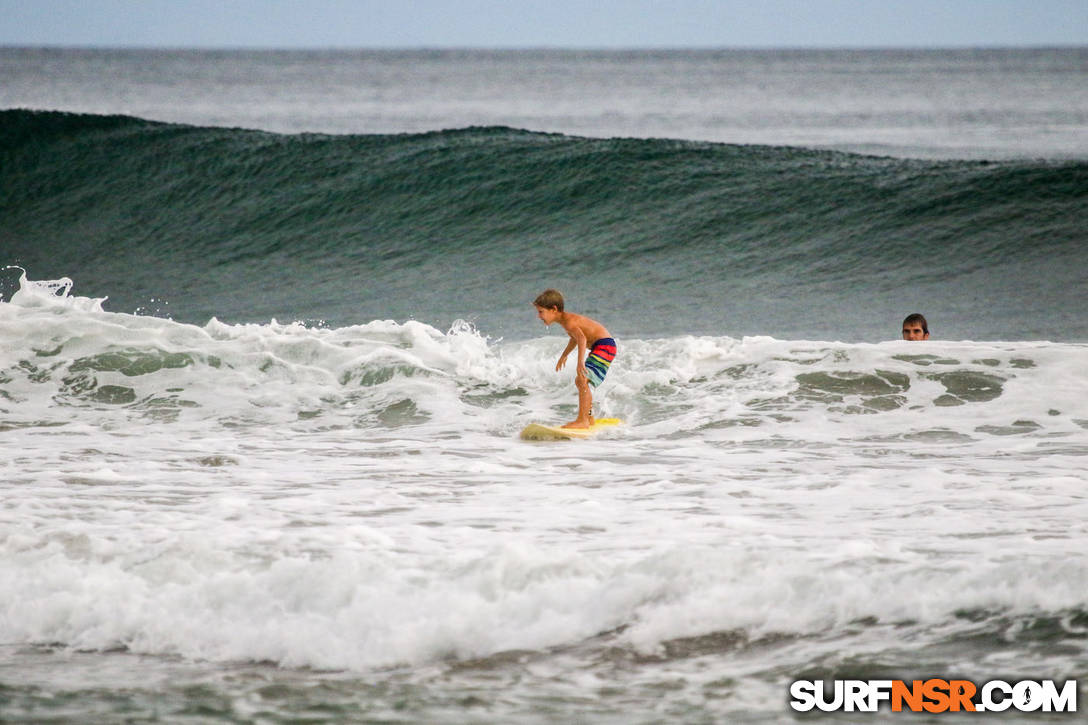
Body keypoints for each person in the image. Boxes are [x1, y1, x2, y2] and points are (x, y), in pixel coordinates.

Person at [532, 288, 617, 428]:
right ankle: (588, 418)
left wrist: (580, 363)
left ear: (553, 309)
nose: (539, 316)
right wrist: (564, 355)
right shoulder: (566, 321)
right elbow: (575, 338)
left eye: (541, 312)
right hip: (602, 347)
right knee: (582, 381)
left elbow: (582, 339)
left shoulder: (569, 322)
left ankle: (583, 420)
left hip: (604, 346)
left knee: (582, 379)